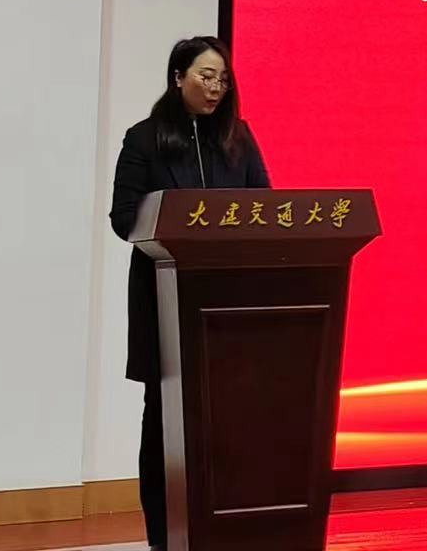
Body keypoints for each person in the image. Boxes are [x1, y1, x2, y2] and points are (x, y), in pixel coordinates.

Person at [109, 36, 271, 551]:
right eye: (205, 76)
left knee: (229, 421)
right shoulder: (145, 139)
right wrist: (176, 223)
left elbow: (265, 209)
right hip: (165, 299)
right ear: (178, 77)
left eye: (223, 79)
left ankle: (226, 529)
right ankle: (165, 535)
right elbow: (123, 219)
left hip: (227, 304)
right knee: (164, 420)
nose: (216, 87)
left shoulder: (239, 138)